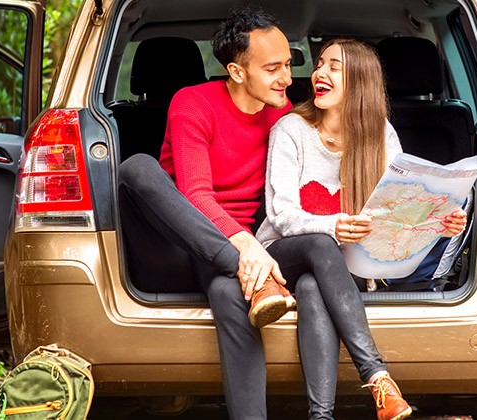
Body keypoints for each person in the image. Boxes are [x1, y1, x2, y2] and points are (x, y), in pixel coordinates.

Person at [255, 39, 468, 420]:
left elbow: (397, 213)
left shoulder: (380, 134)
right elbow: (282, 215)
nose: (319, 73)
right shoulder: (291, 129)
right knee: (320, 245)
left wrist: (442, 224)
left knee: (312, 286)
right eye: (320, 65)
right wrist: (335, 226)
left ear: (361, 82)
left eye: (333, 67)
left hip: (342, 269)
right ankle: (377, 374)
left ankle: (321, 415)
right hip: (281, 257)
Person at [115, 7, 300, 419]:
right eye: (273, 68)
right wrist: (245, 250)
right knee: (137, 167)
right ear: (236, 72)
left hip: (237, 262)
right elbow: (196, 193)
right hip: (176, 245)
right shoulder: (192, 102)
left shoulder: (285, 116)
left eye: (289, 64)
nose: (287, 78)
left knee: (226, 291)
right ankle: (246, 271)